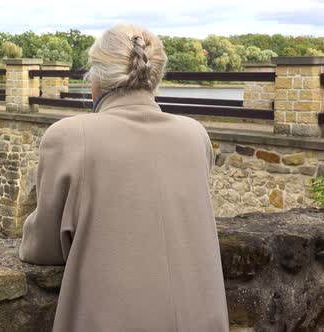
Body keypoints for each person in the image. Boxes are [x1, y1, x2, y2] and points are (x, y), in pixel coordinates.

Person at [19, 24, 229, 331]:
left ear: (96, 78)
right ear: (156, 76)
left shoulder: (68, 136)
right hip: (201, 318)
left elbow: (44, 248)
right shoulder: (195, 134)